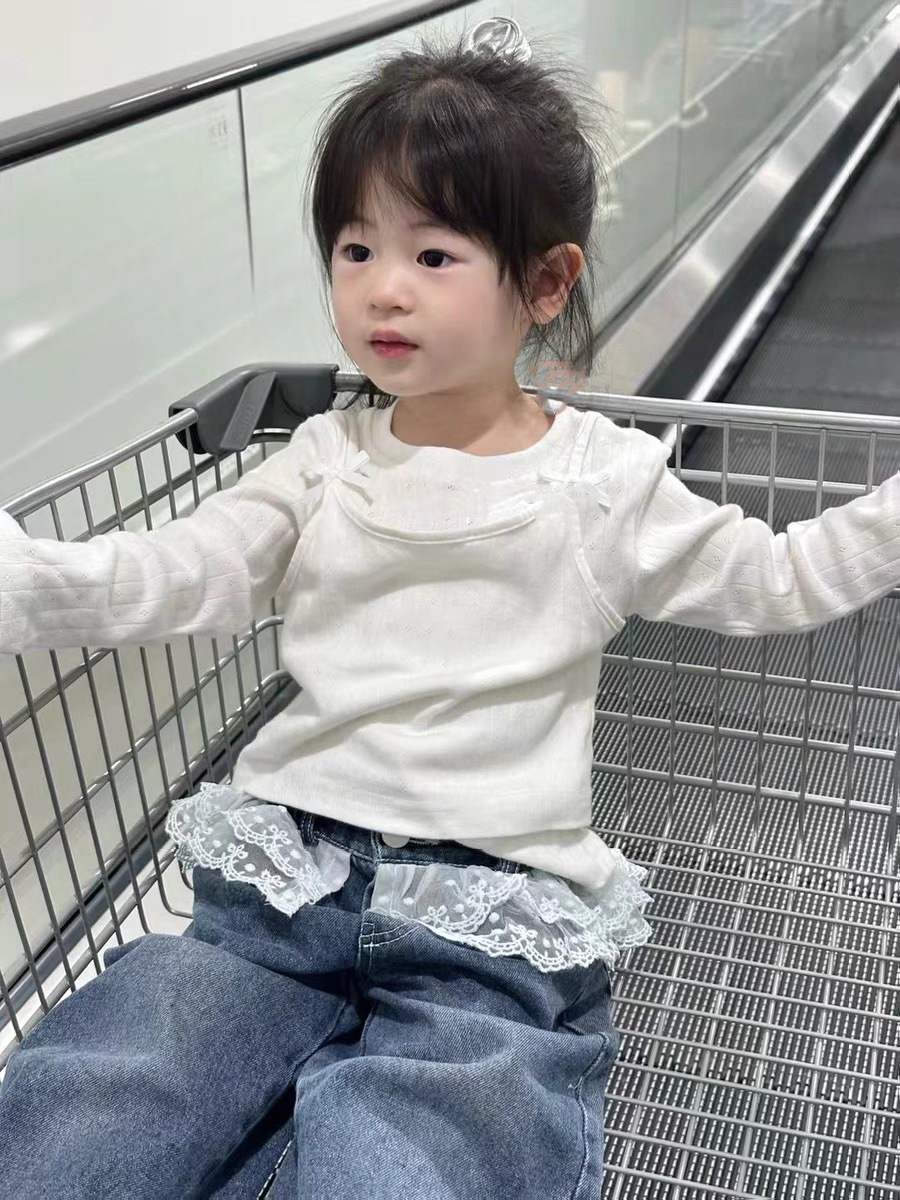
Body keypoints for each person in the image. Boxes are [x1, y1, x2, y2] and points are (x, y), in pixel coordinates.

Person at [0, 15, 898, 1200]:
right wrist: (29, 582)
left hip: (489, 918)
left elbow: (778, 578)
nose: (382, 288)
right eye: (354, 248)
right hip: (286, 889)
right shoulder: (324, 460)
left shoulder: (601, 484)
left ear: (545, 282)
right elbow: (181, 570)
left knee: (410, 1165)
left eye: (433, 255)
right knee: (98, 1106)